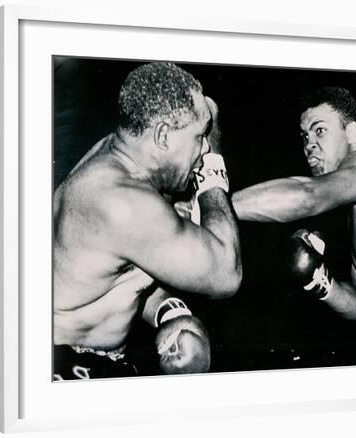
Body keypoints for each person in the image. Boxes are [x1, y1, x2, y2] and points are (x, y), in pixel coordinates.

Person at [53, 62, 242, 379]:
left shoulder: (119, 162)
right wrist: (212, 170)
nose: (205, 145)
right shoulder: (122, 201)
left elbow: (117, 276)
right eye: (199, 136)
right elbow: (226, 273)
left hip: (79, 354)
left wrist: (169, 311)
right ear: (163, 135)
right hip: (68, 364)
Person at [232, 86, 356, 364]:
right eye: (304, 136)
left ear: (351, 133)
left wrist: (215, 206)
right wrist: (320, 281)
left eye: (319, 130)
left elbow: (308, 195)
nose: (309, 144)